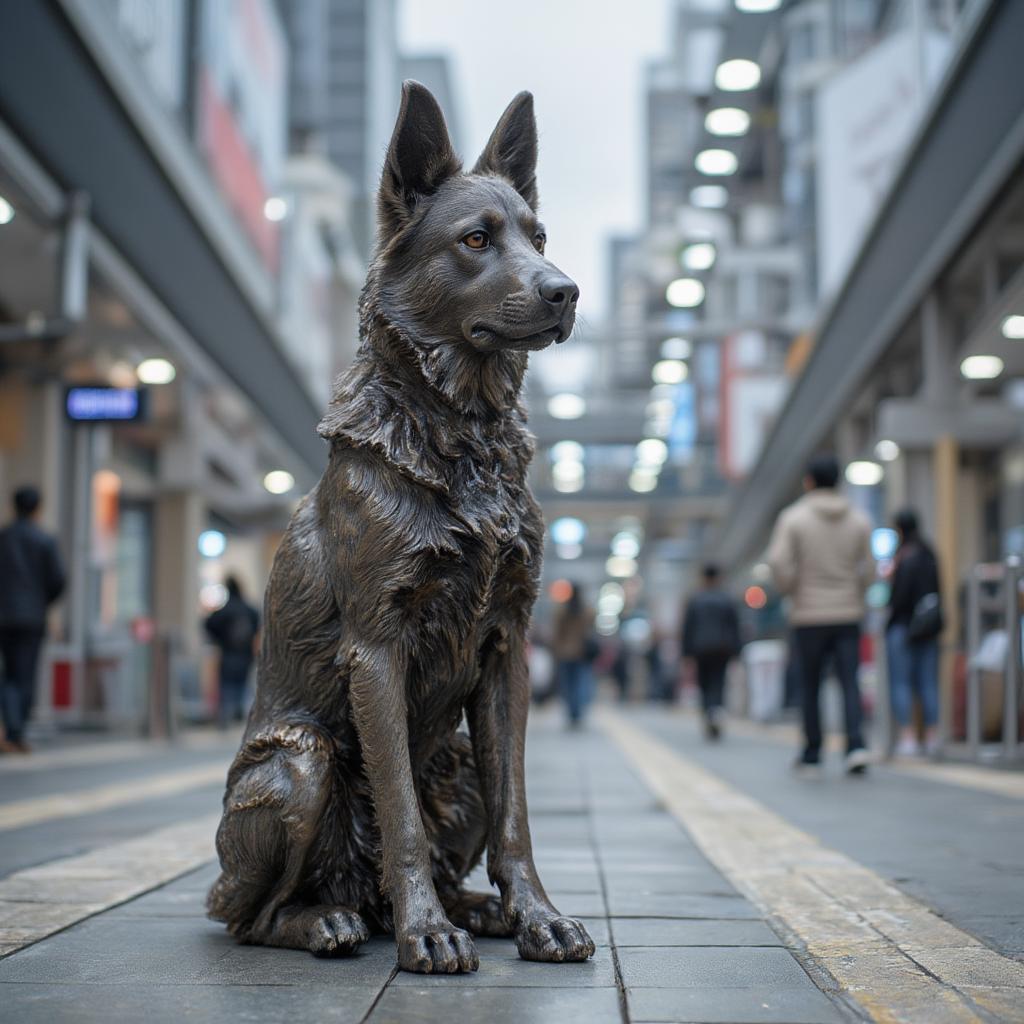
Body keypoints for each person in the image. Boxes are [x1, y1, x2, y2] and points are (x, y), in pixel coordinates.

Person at [767, 454, 875, 774]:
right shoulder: (859, 519)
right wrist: (855, 590)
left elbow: (777, 561)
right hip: (848, 614)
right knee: (848, 682)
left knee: (810, 684)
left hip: (808, 615)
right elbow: (869, 568)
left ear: (809, 481)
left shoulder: (794, 518)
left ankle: (813, 751)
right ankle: (855, 746)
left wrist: (792, 588)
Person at [0, 486, 66, 753]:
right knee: (24, 675)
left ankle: (11, 728)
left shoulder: (3, 537)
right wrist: (41, 602)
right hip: (31, 618)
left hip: (3, 616)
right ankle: (16, 731)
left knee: (8, 673)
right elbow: (59, 580)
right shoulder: (44, 540)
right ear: (38, 508)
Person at [886, 508, 941, 757]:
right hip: (928, 629)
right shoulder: (929, 553)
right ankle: (932, 735)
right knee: (928, 683)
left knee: (901, 683)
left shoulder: (902, 557)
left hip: (902, 627)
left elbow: (898, 599)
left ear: (899, 529)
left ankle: (907, 737)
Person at [682, 564, 741, 740]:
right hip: (722, 649)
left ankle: (708, 711)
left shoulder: (695, 600)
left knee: (704, 683)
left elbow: (688, 628)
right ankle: (716, 709)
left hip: (700, 649)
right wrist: (737, 650)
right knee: (719, 681)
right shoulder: (727, 600)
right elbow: (735, 627)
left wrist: (686, 653)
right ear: (718, 578)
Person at [205, 575, 260, 728]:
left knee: (227, 686)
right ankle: (240, 716)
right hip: (245, 655)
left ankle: (226, 717)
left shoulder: (223, 611)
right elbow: (257, 626)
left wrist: (218, 639)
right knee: (242, 685)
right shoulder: (250, 610)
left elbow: (208, 625)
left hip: (228, 654)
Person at [551, 584, 596, 728]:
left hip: (565, 653)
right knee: (581, 683)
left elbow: (557, 633)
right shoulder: (588, 611)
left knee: (568, 685)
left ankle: (572, 711)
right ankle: (578, 711)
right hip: (582, 653)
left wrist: (556, 650)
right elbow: (591, 631)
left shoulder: (562, 611)